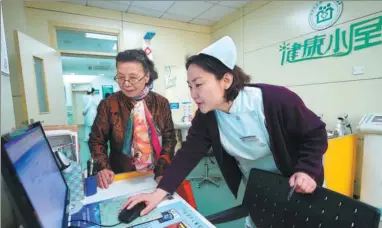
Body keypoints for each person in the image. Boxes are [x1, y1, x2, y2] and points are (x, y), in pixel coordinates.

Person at [122, 36, 328, 228]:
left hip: (298, 184)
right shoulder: (207, 115)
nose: (194, 94)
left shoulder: (275, 99)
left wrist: (307, 170)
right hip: (259, 188)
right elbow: (188, 153)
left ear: (226, 80)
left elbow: (315, 133)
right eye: (190, 86)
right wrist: (159, 193)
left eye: (199, 85)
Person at [89, 49, 177, 189]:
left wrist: (162, 169)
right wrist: (103, 167)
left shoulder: (161, 103)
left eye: (133, 77)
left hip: (156, 174)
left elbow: (169, 138)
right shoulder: (109, 104)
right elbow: (97, 140)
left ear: (147, 76)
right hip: (121, 176)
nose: (126, 83)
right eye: (121, 77)